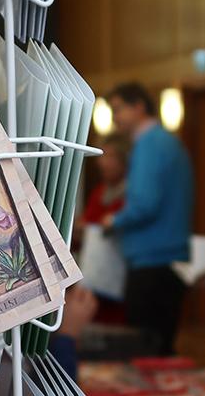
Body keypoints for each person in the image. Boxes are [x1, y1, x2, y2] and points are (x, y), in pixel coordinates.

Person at [103, 83, 193, 356]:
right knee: (160, 345)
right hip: (168, 259)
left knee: (147, 350)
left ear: (139, 106)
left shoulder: (149, 144)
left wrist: (113, 221)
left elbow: (145, 204)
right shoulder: (166, 141)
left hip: (153, 262)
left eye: (118, 109)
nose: (115, 118)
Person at [76, 135, 129, 324]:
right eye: (102, 156)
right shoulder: (99, 191)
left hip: (118, 271)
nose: (103, 163)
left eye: (110, 157)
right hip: (94, 271)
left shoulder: (132, 194)